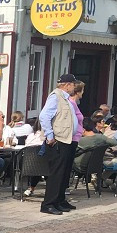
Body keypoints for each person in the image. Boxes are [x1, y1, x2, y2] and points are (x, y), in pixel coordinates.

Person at [38, 73, 79, 215]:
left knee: (65, 172)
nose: (74, 86)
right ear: (67, 85)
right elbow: (44, 116)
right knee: (57, 173)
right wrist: (50, 135)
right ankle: (48, 203)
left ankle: (59, 200)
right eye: (73, 84)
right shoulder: (56, 96)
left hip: (67, 139)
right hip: (59, 140)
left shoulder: (66, 98)